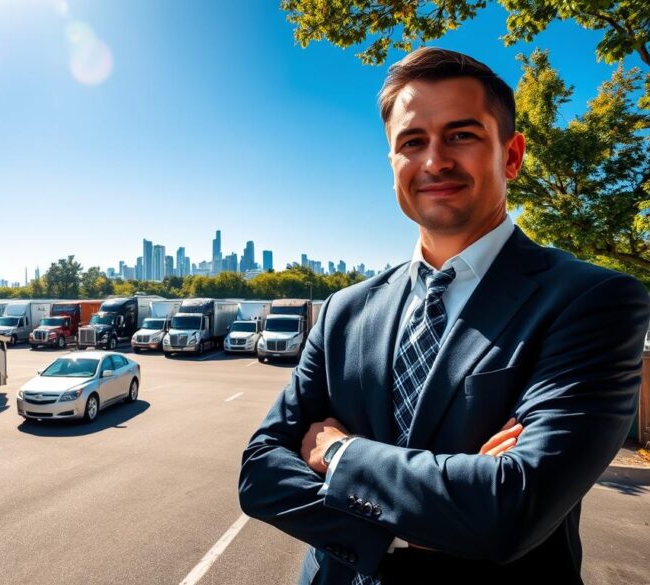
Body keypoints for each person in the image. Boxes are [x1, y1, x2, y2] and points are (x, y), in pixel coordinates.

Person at [237, 47, 650, 585]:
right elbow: (261, 473)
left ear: (512, 155)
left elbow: (509, 513)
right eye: (412, 142)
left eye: (461, 134)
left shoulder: (595, 301)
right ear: (393, 166)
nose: (434, 161)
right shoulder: (344, 310)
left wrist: (339, 455)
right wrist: (442, 508)